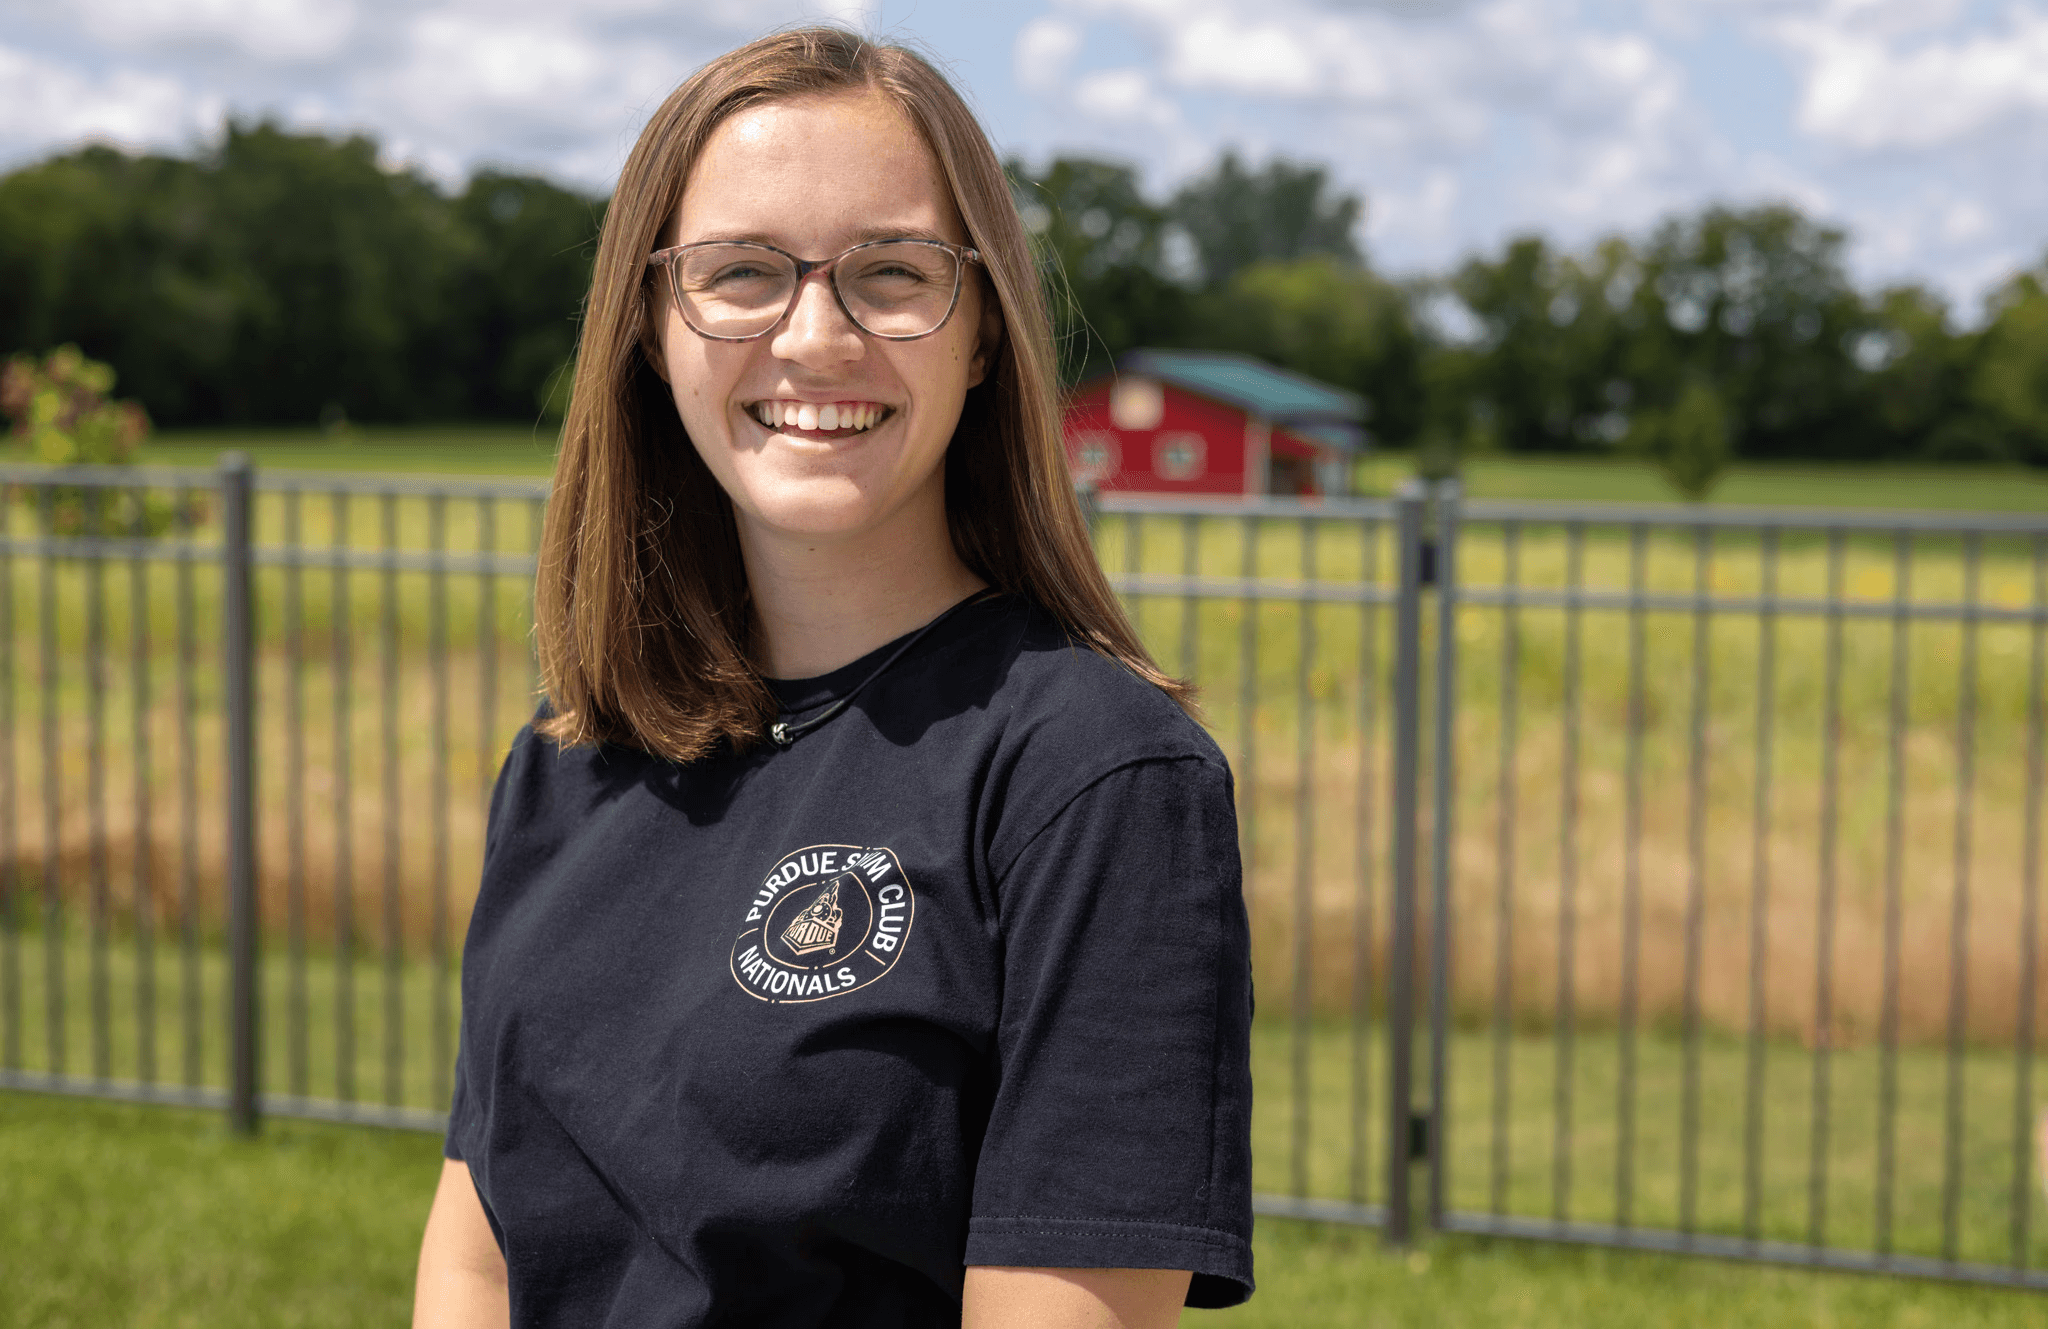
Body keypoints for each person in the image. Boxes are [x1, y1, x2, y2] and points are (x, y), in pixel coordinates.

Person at [412, 27, 1252, 1329]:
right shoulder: (567, 759)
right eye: (741, 272)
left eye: (893, 273)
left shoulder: (1096, 781)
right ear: (648, 322)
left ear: (982, 333)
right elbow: (477, 1252)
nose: (816, 336)